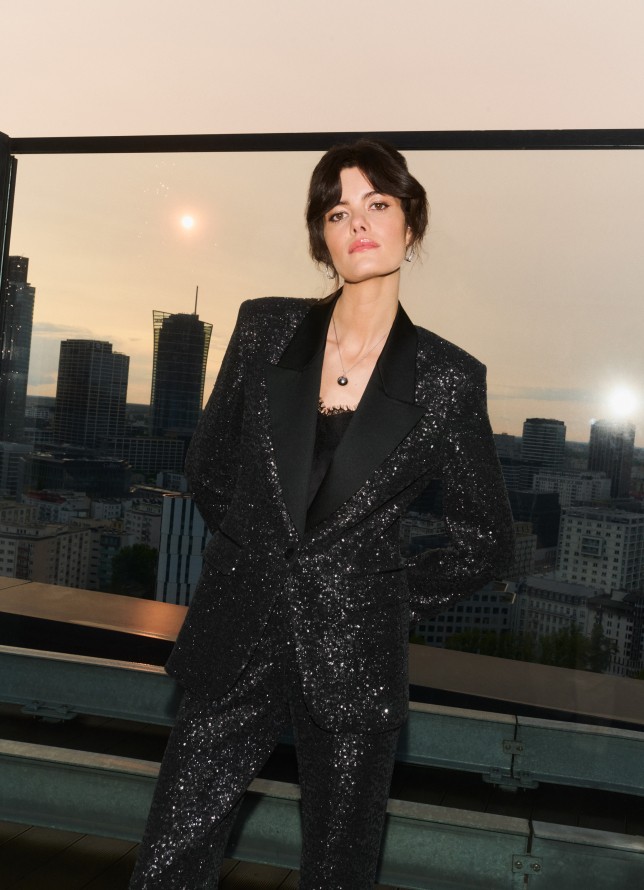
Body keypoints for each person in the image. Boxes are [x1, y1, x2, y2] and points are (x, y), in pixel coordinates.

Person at [129, 139, 514, 890]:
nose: (358, 223)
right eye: (338, 213)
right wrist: (259, 555)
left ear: (410, 224)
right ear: (322, 238)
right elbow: (210, 467)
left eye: (378, 204)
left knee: (340, 870)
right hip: (235, 628)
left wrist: (382, 593)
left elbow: (486, 542)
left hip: (354, 654)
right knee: (170, 855)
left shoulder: (448, 380)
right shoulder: (264, 330)